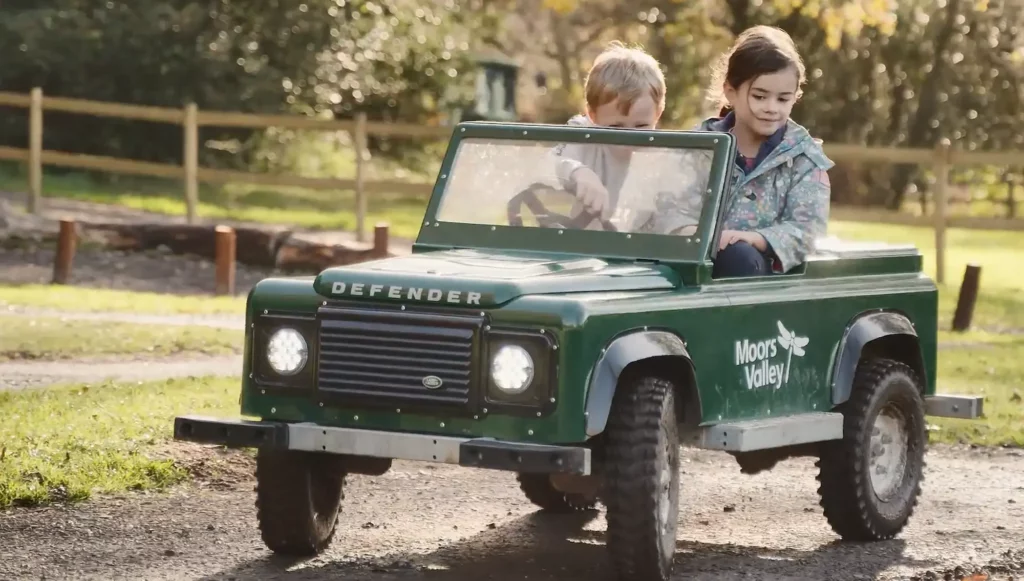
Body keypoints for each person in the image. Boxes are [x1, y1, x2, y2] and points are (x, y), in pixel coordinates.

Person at [695, 25, 834, 278]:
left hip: (765, 285)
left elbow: (809, 231)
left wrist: (755, 239)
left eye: (783, 99)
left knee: (741, 258)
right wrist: (696, 236)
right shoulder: (698, 150)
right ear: (730, 92)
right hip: (694, 274)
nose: (772, 108)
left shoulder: (804, 159)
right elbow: (669, 211)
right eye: (760, 97)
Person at [547, 41, 668, 225]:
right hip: (585, 247)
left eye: (642, 126)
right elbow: (548, 160)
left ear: (658, 113)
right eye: (616, 127)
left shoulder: (667, 157)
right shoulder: (582, 135)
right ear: (592, 115)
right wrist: (578, 172)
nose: (630, 139)